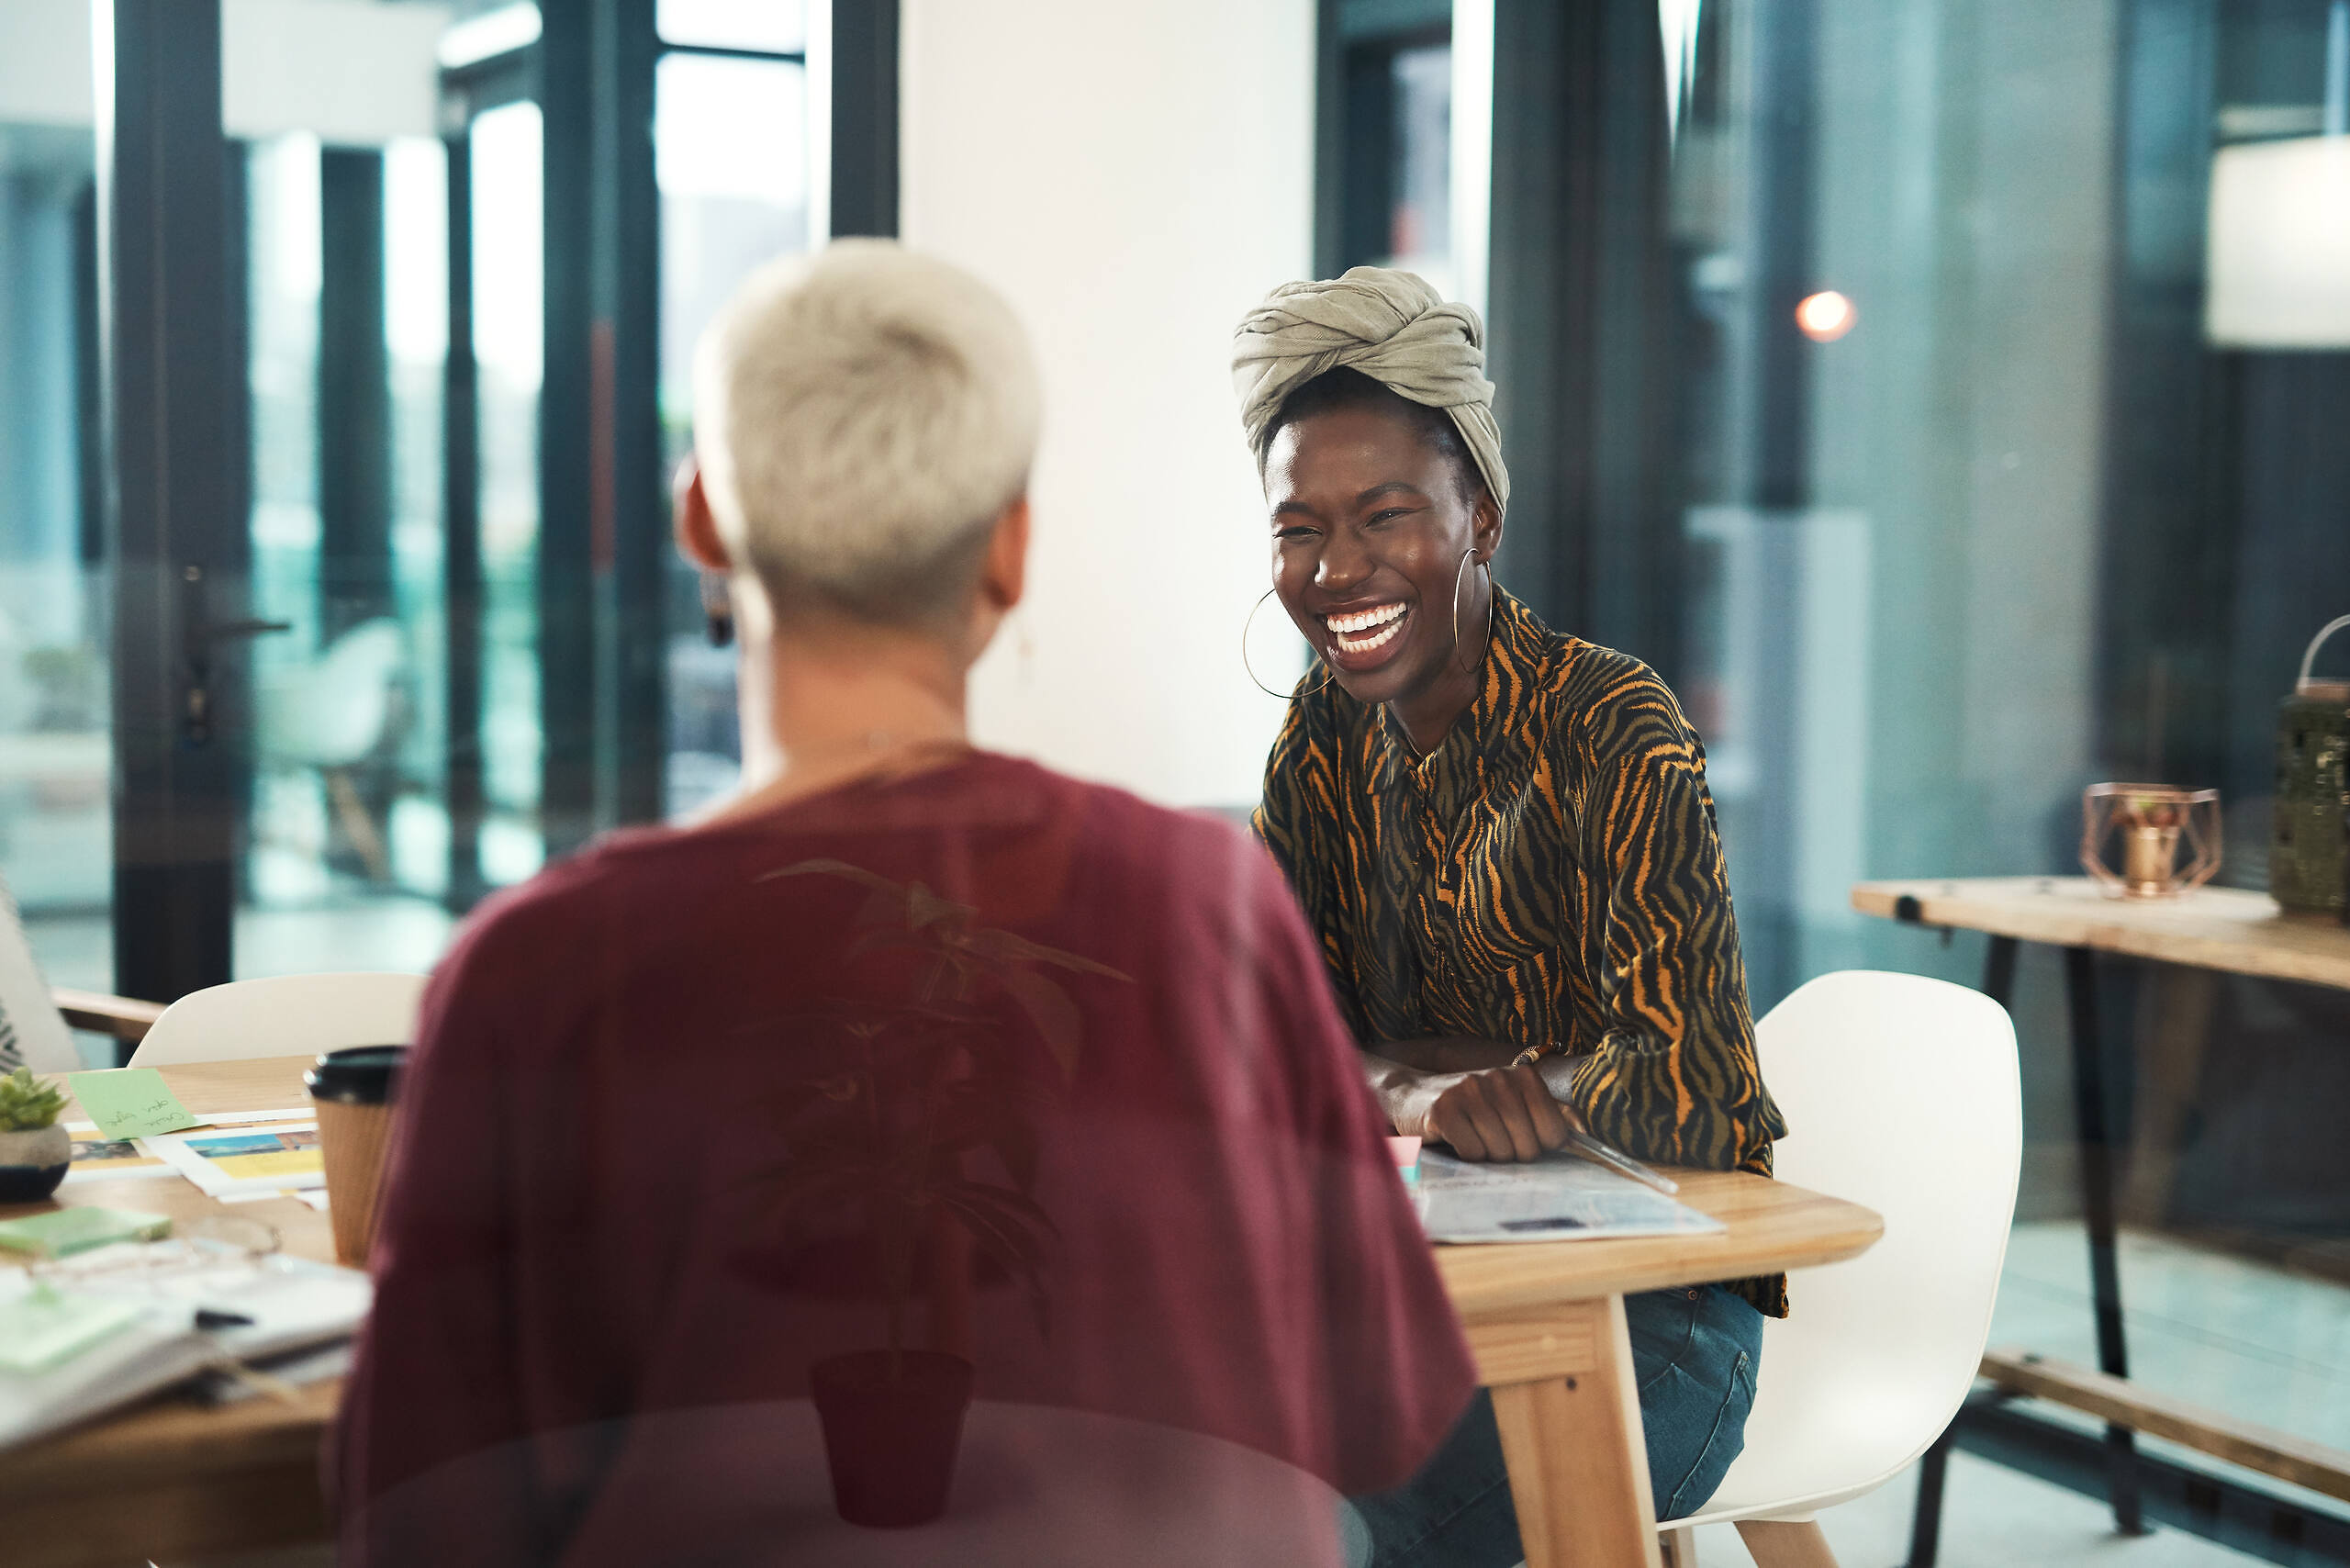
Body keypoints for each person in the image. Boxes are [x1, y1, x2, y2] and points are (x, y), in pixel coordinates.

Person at [331, 242, 1479, 1566]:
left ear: (702, 518)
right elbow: (1379, 1415)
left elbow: (413, 1523)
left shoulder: (533, 974)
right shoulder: (1214, 907)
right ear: (1011, 550)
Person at [1234, 268, 1789, 1564]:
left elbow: (1694, 1087)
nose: (1338, 568)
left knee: (1335, 1520)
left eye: (1386, 516)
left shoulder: (1610, 722)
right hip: (1418, 1293)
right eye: (1298, 527)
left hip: (1654, 1321)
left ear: (1479, 519)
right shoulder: (1318, 738)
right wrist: (1414, 1086)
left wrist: (1466, 1084)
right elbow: (1271, 1043)